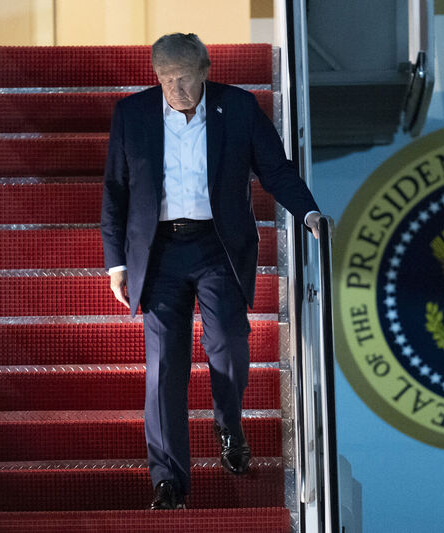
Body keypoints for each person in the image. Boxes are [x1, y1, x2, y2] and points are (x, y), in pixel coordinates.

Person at [100, 33, 322, 510]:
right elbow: (115, 191)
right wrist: (116, 262)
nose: (175, 88)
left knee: (229, 344)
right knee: (164, 367)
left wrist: (309, 214)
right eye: (165, 78)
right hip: (157, 252)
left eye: (183, 77)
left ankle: (228, 423)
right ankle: (169, 481)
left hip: (217, 246)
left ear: (204, 70)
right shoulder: (132, 114)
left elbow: (276, 170)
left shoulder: (238, 108)